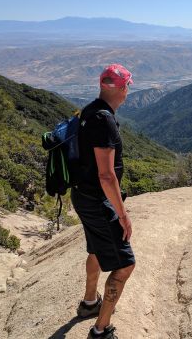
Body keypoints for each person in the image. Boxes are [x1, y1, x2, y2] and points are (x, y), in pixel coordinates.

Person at [71, 63, 135, 339]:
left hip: (81, 195)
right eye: (127, 86)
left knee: (96, 248)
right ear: (122, 88)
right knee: (124, 265)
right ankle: (101, 329)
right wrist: (122, 215)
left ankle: (89, 303)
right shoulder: (105, 120)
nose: (128, 91)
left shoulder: (88, 111)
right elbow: (107, 176)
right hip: (98, 200)